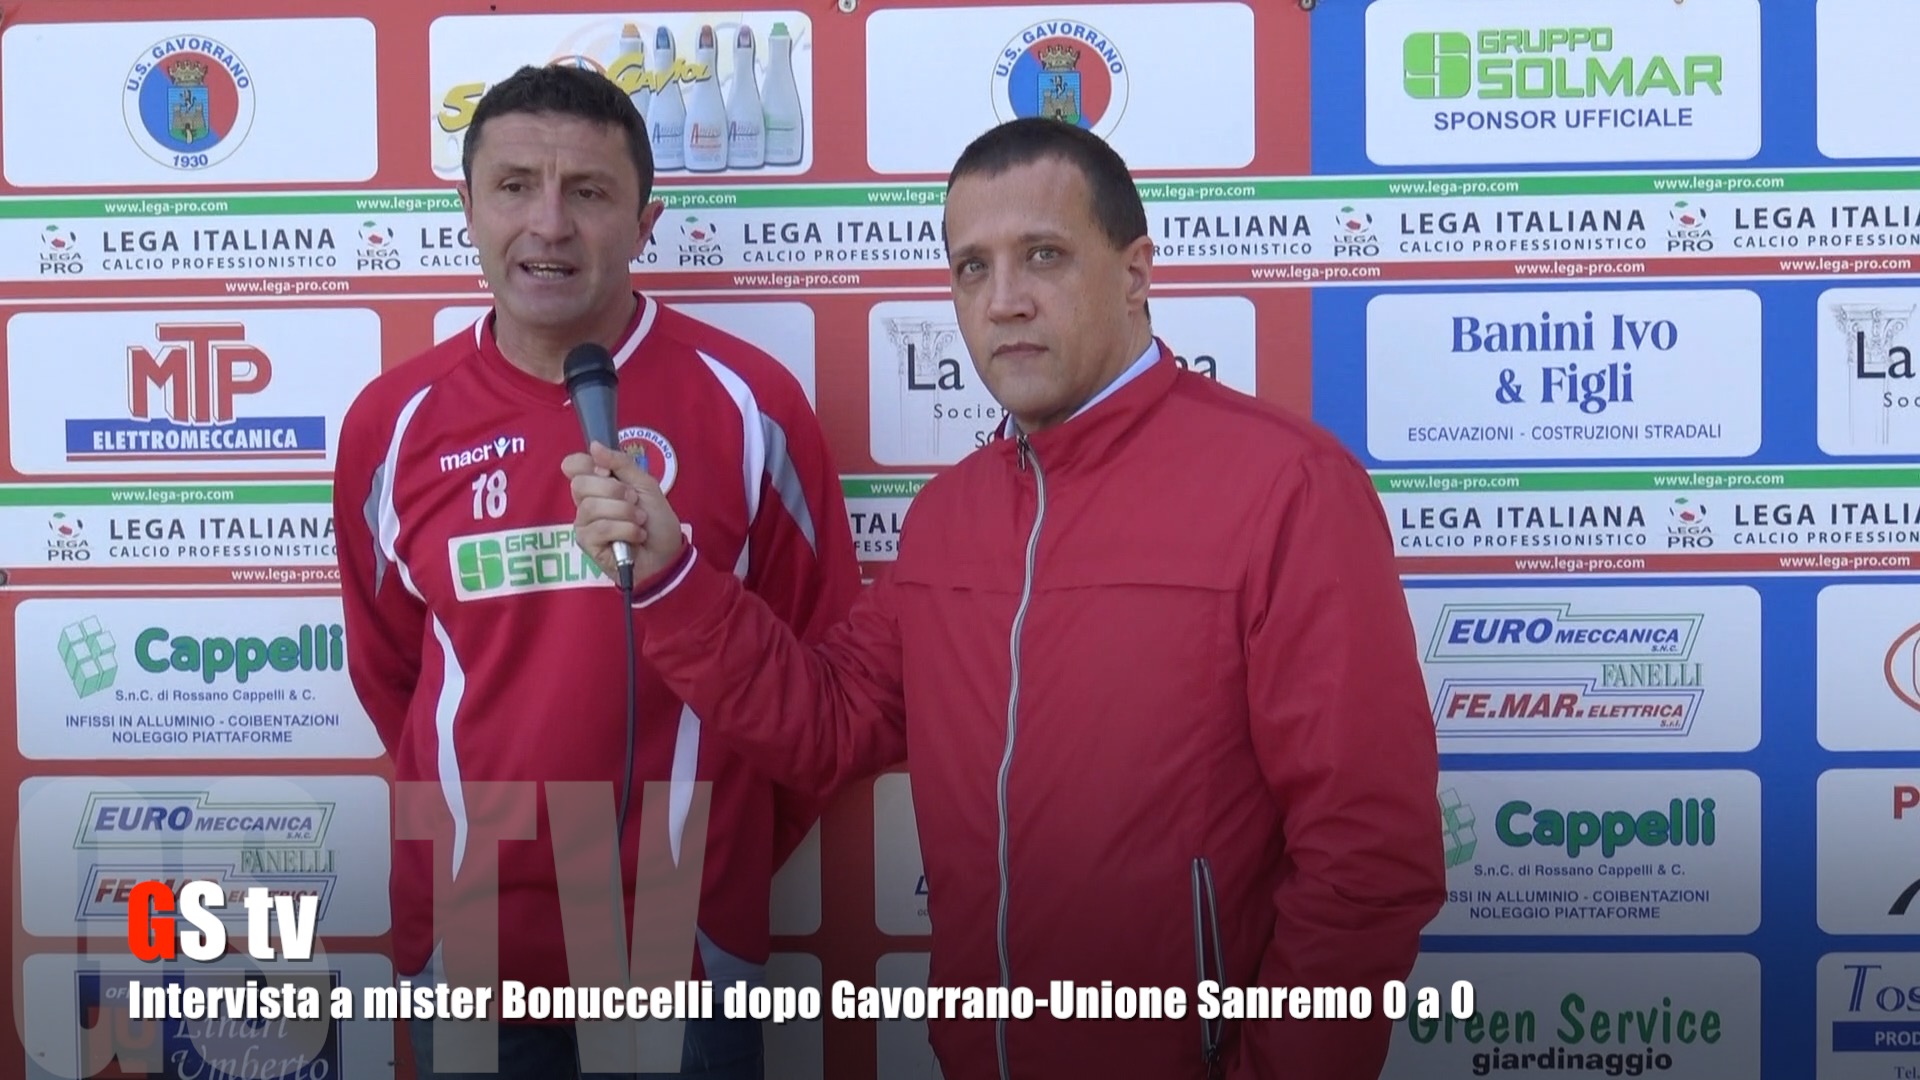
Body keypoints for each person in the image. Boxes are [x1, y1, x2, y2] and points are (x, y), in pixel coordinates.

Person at [565, 117, 1446, 1080]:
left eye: (1044, 256)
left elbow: (1368, 854)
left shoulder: (1287, 486)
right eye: (972, 269)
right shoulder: (952, 515)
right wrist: (673, 580)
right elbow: (829, 722)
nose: (1004, 300)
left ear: (1136, 273)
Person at [332, 63, 862, 1079]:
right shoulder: (391, 424)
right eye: (515, 186)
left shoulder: (750, 405)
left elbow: (819, 693)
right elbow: (391, 671)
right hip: (470, 923)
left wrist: (715, 854)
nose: (549, 224)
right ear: (466, 208)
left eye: (588, 191)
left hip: (679, 932)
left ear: (646, 222)